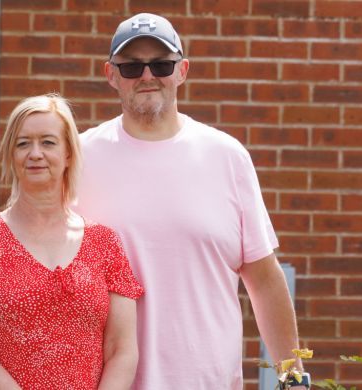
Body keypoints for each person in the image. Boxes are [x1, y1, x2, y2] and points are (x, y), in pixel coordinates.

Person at [70, 13, 309, 390]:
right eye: (132, 66)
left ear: (181, 71)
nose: (147, 76)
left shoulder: (227, 156)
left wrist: (293, 377)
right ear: (111, 75)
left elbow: (263, 280)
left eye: (161, 64)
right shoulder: (79, 157)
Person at [0, 94, 144, 390]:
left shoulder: (105, 243)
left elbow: (121, 348)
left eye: (48, 142)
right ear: (11, 154)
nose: (35, 153)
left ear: (69, 153)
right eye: (23, 143)